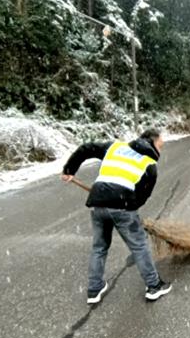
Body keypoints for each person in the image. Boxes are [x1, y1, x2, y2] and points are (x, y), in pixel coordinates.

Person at [61, 128, 171, 304]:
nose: (161, 148)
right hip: (122, 206)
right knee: (139, 246)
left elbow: (86, 149)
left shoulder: (115, 147)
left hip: (98, 202)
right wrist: (130, 212)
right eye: (160, 145)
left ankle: (94, 289)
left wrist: (69, 169)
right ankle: (154, 286)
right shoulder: (149, 165)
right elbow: (142, 196)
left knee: (99, 247)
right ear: (151, 143)